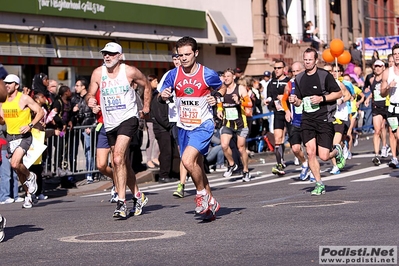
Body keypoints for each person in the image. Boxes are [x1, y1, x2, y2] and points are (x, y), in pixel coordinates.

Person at [159, 36, 226, 220]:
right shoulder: (173, 74)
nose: (184, 58)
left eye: (187, 54)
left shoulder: (207, 74)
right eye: (180, 55)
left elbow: (222, 88)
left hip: (203, 124)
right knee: (196, 166)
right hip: (183, 126)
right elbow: (162, 95)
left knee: (188, 161)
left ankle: (201, 196)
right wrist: (164, 95)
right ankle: (211, 202)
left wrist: (216, 98)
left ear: (196, 53)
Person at [87, 42, 152, 219]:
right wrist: (91, 100)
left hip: (128, 117)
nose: (107, 56)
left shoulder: (129, 71)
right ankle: (138, 195)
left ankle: (121, 202)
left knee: (116, 158)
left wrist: (145, 107)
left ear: (120, 56)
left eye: (111, 53)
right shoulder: (98, 73)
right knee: (121, 162)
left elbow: (147, 85)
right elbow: (90, 93)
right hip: (110, 122)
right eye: (105, 53)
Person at [288, 48, 344, 196]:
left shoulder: (324, 75)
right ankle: (319, 183)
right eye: (305, 60)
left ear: (316, 60)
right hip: (307, 119)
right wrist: (294, 100)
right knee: (310, 152)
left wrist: (322, 99)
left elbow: (339, 93)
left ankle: (337, 151)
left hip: (323, 118)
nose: (307, 62)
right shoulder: (299, 78)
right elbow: (299, 101)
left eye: (310, 60)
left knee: (324, 156)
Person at [0, 74, 44, 208]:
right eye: (5, 83)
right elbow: (2, 119)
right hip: (10, 137)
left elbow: (40, 111)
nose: (7, 85)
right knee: (19, 170)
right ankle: (28, 195)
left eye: (10, 83)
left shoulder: (23, 98)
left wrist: (30, 125)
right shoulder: (3, 100)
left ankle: (31, 176)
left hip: (24, 137)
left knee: (14, 164)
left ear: (17, 85)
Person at [217, 68, 252, 182]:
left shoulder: (240, 88)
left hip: (241, 124)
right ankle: (232, 164)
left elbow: (250, 103)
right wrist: (219, 110)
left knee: (241, 149)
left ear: (233, 77)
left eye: (228, 76)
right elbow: (220, 102)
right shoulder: (222, 89)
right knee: (224, 145)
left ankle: (246, 171)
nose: (226, 78)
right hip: (227, 123)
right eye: (224, 76)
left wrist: (239, 101)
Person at [265, 60, 290, 175]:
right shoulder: (272, 82)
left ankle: (303, 160)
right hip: (278, 113)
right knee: (278, 139)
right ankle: (279, 164)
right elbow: (270, 96)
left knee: (295, 140)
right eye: (275, 68)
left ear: (284, 69)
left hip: (289, 112)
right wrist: (269, 100)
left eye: (279, 68)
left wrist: (285, 97)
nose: (277, 70)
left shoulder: (289, 81)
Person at [364, 60, 388, 166]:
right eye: (376, 66)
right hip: (376, 107)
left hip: (387, 106)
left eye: (379, 66)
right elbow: (373, 92)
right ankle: (376, 155)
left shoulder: (387, 78)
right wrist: (368, 98)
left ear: (383, 67)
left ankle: (386, 147)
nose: (377, 68)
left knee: (392, 132)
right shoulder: (372, 79)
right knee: (377, 130)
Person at [72, 78, 96, 183]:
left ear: (83, 87)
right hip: (79, 127)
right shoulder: (76, 98)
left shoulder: (89, 98)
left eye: (78, 85)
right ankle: (87, 173)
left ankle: (90, 174)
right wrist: (75, 110)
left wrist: (91, 126)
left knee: (89, 152)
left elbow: (93, 114)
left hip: (87, 128)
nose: (75, 87)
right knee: (81, 151)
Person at [380, 44, 399, 168]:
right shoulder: (387, 72)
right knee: (395, 134)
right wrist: (388, 87)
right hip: (392, 108)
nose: (397, 56)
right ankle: (394, 157)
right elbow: (382, 93)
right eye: (395, 54)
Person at [145, 74, 160, 169]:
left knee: (157, 138)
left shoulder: (156, 92)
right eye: (155, 81)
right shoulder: (147, 92)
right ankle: (149, 159)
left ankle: (155, 157)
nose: (157, 83)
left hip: (156, 118)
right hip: (149, 119)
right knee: (151, 139)